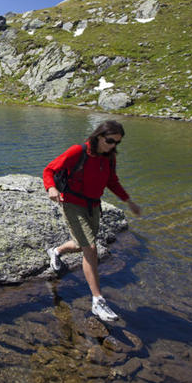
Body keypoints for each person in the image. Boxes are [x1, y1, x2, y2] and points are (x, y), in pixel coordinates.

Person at [42, 120, 141, 321]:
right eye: (110, 141)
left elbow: (112, 181)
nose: (113, 146)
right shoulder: (78, 151)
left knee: (81, 244)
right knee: (91, 248)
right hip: (72, 204)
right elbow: (49, 170)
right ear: (99, 136)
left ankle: (56, 251)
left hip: (94, 206)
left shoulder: (110, 157)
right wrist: (51, 188)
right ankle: (98, 301)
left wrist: (128, 200)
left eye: (117, 143)